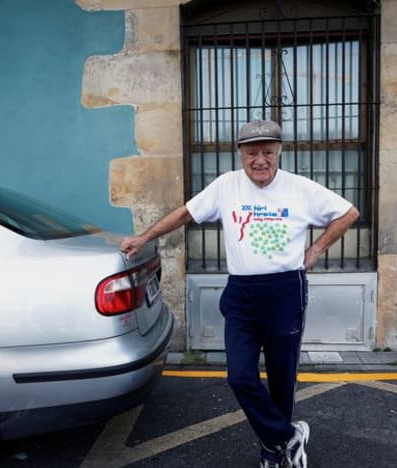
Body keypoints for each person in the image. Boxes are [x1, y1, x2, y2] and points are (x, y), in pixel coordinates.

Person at [120, 119, 359, 468]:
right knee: (241, 377)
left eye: (267, 152)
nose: (259, 160)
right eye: (251, 153)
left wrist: (317, 250)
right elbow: (186, 213)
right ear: (240, 154)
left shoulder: (300, 188)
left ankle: (272, 452)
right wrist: (143, 237)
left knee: (281, 378)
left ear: (279, 152)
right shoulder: (225, 186)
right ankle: (288, 436)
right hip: (242, 293)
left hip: (285, 291)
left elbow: (348, 212)